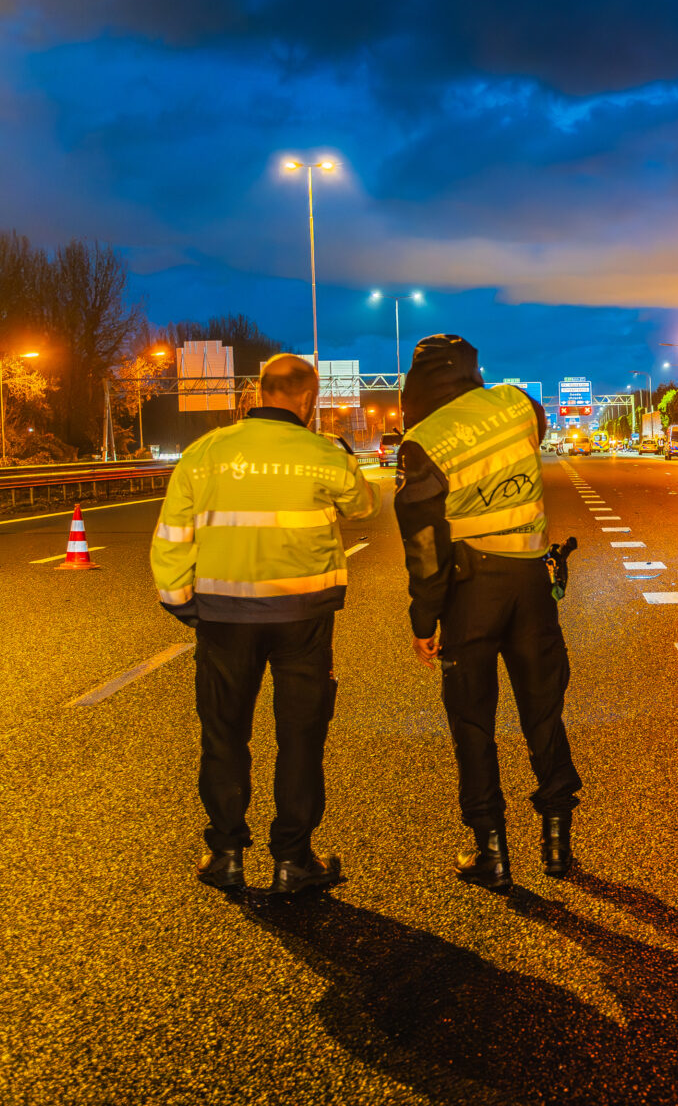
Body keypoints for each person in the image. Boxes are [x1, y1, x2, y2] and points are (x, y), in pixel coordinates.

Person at [152, 354, 379, 895]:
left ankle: (226, 854)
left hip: (223, 617)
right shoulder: (324, 455)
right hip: (303, 618)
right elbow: (364, 507)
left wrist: (183, 603)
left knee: (224, 733)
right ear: (309, 397)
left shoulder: (205, 453)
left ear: (255, 391)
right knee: (301, 737)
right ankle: (293, 860)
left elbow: (172, 536)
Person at [395, 335, 582, 891]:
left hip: (469, 592)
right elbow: (537, 433)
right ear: (473, 372)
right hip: (530, 581)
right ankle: (557, 844)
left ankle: (492, 855)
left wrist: (424, 622)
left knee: (473, 724)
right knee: (543, 712)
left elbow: (425, 546)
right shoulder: (517, 405)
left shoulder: (422, 442)